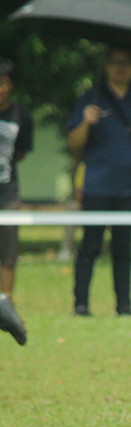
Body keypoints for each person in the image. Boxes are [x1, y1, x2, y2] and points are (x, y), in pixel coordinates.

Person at [67, 46, 131, 316]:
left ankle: (124, 305)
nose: (121, 68)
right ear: (106, 66)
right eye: (115, 62)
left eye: (126, 63)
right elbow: (74, 143)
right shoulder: (91, 98)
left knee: (123, 248)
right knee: (90, 246)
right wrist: (86, 121)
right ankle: (81, 304)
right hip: (97, 184)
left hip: (128, 185)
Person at [0, 58, 33, 312]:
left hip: (8, 192)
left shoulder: (21, 115)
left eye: (4, 82)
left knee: (8, 253)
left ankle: (6, 305)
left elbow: (21, 153)